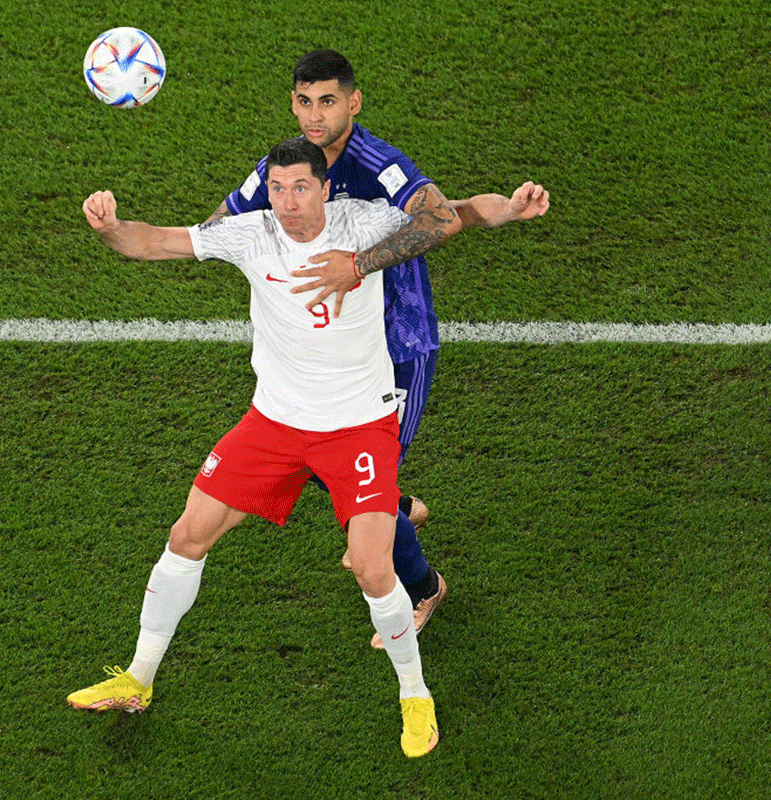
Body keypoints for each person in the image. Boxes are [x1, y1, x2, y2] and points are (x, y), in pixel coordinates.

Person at [68, 138, 445, 758]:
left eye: (302, 188)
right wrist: (110, 227)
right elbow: (153, 241)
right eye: (278, 189)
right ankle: (137, 678)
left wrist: (361, 262)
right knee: (187, 536)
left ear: (325, 188)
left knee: (374, 569)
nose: (289, 203)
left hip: (357, 424)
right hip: (273, 423)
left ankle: (415, 694)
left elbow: (442, 217)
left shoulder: (366, 221)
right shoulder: (252, 234)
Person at [208, 49, 550, 649]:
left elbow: (443, 219)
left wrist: (358, 265)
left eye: (329, 101)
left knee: (362, 474)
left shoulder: (376, 163)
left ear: (353, 102)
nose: (315, 116)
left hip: (397, 344)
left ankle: (423, 587)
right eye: (305, 101)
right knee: (320, 456)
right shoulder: (288, 168)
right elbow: (222, 222)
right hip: (328, 349)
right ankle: (397, 507)